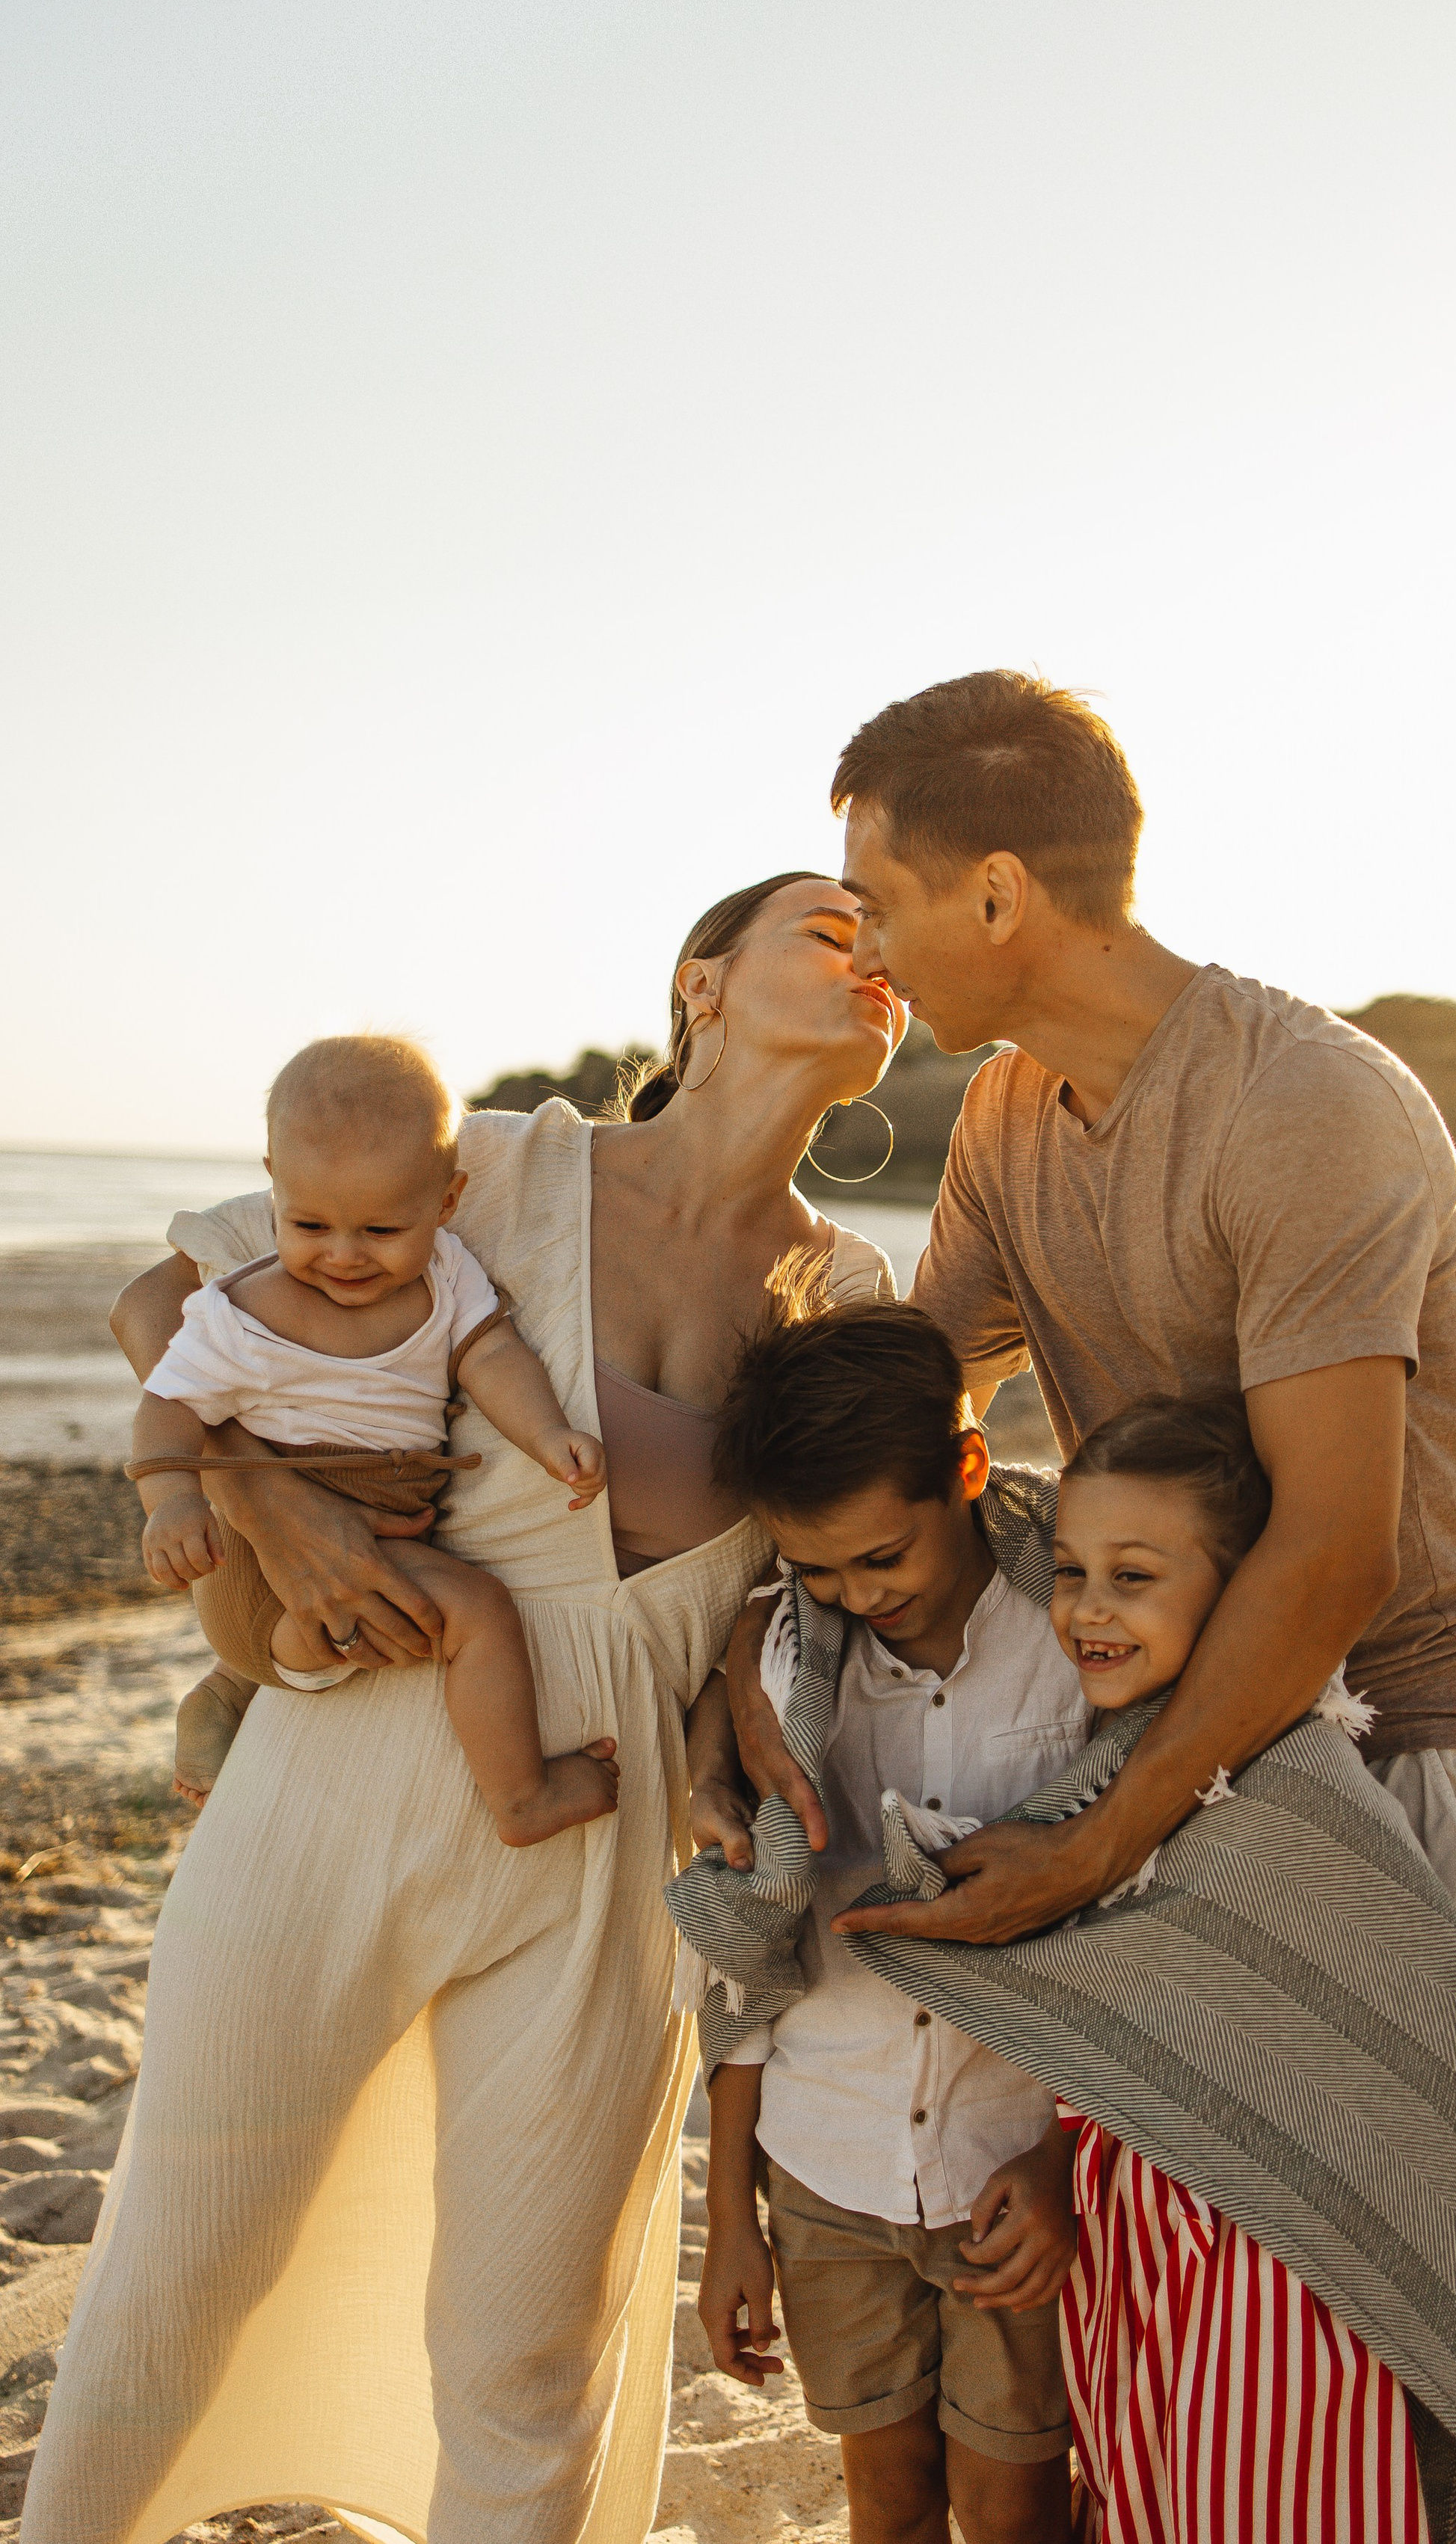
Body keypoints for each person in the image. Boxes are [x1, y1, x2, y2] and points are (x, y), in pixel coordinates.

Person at [22, 874, 901, 2544]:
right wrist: (275, 1503)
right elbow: (168, 1308)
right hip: (346, 1761)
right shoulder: (497, 1165)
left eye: (891, 951)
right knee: (178, 2277)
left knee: (529, 2352)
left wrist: (732, 1713)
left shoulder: (842, 1285)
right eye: (824, 924)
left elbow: (791, 1580)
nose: (874, 963)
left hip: (605, 1818)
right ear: (698, 985)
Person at [723, 671, 1456, 2130]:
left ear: (996, 897)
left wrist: (1088, 1849)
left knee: (1403, 2345)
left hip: (1406, 1773)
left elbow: (1332, 1550)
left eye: (877, 899)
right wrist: (745, 1659)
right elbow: (896, 1422)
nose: (863, 943)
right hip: (1198, 1787)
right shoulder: (1005, 1116)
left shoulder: (1299, 1106)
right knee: (1195, 2340)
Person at [695, 1304, 1086, 2544]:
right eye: (814, 1572)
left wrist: (1063, 2162)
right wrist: (729, 2227)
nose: (857, 1596)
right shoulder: (791, 1680)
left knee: (1014, 2501)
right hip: (826, 2164)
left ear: (968, 1470)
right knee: (890, 2501)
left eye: (881, 1558)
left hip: (1006, 2159)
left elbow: (1138, 1939)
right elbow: (749, 1968)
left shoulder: (1078, 1648)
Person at [1047, 1394, 1429, 2543]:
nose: (1088, 1609)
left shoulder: (1291, 1778)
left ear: (1242, 1591)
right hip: (1137, 2244)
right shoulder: (1100, 1759)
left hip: (1265, 2263)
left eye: (1134, 1576)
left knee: (1253, 2501)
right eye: (1068, 1570)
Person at [134, 1033, 619, 1842]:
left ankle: (228, 1690)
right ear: (273, 1190)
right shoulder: (243, 1310)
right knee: (480, 1611)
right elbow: (167, 1405)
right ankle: (522, 1797)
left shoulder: (447, 1275)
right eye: (310, 1223)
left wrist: (547, 1433)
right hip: (263, 1568)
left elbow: (494, 1354)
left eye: (382, 1230)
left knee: (435, 1605)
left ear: (446, 1202)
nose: (344, 1256)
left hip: (344, 1557)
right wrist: (171, 1501)